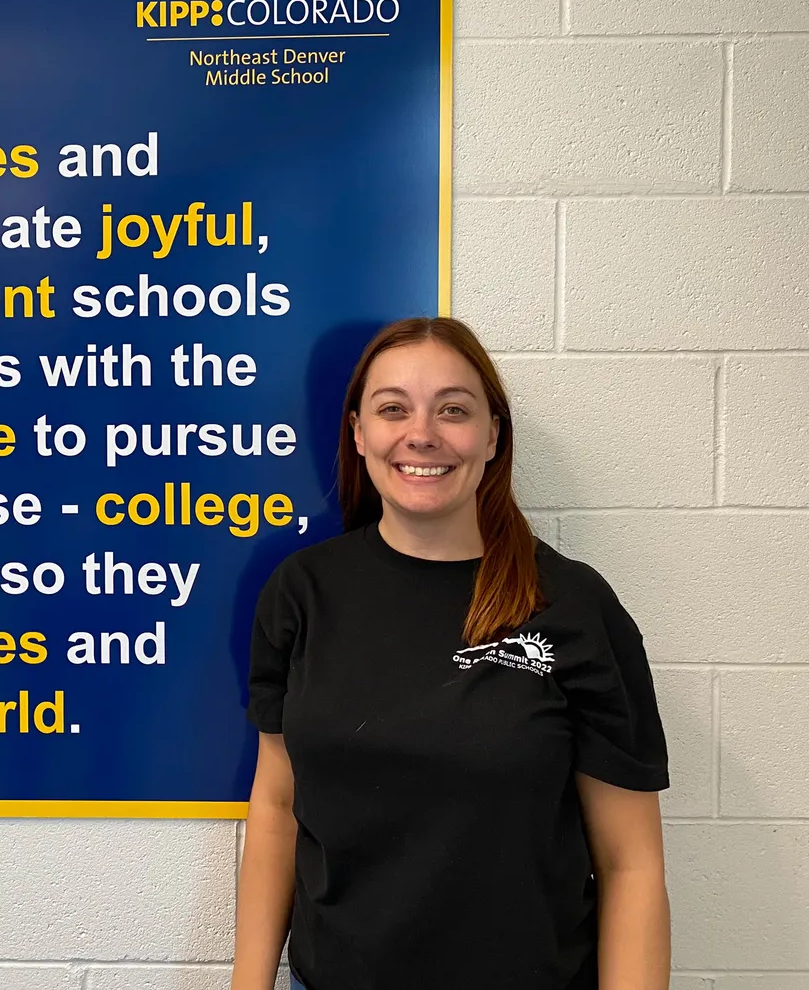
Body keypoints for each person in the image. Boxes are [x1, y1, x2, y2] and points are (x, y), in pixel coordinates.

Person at [232, 317, 670, 990]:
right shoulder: (302, 592)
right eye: (392, 409)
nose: (422, 434)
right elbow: (276, 808)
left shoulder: (572, 606)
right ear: (358, 432)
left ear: (493, 435)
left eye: (454, 411)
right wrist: (247, 983)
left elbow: (629, 863)